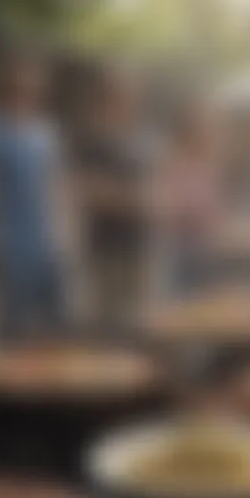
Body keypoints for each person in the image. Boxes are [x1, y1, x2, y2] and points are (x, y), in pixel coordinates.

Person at [0, 50, 73, 340]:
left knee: (57, 321)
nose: (27, 93)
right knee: (12, 323)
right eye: (20, 87)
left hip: (47, 240)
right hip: (8, 241)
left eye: (33, 87)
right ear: (7, 89)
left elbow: (56, 184)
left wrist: (63, 231)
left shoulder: (45, 132)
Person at [74, 65, 158, 328]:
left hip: (138, 246)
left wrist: (143, 199)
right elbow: (93, 193)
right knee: (106, 324)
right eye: (124, 94)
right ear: (108, 96)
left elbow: (155, 188)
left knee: (138, 322)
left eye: (134, 95)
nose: (130, 101)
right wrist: (137, 200)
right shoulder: (91, 139)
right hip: (105, 248)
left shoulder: (140, 140)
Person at [152, 100, 226, 298]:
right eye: (205, 126)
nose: (210, 131)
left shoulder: (208, 163)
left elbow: (214, 207)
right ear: (189, 130)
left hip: (207, 250)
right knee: (183, 300)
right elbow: (168, 206)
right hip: (182, 252)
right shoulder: (172, 161)